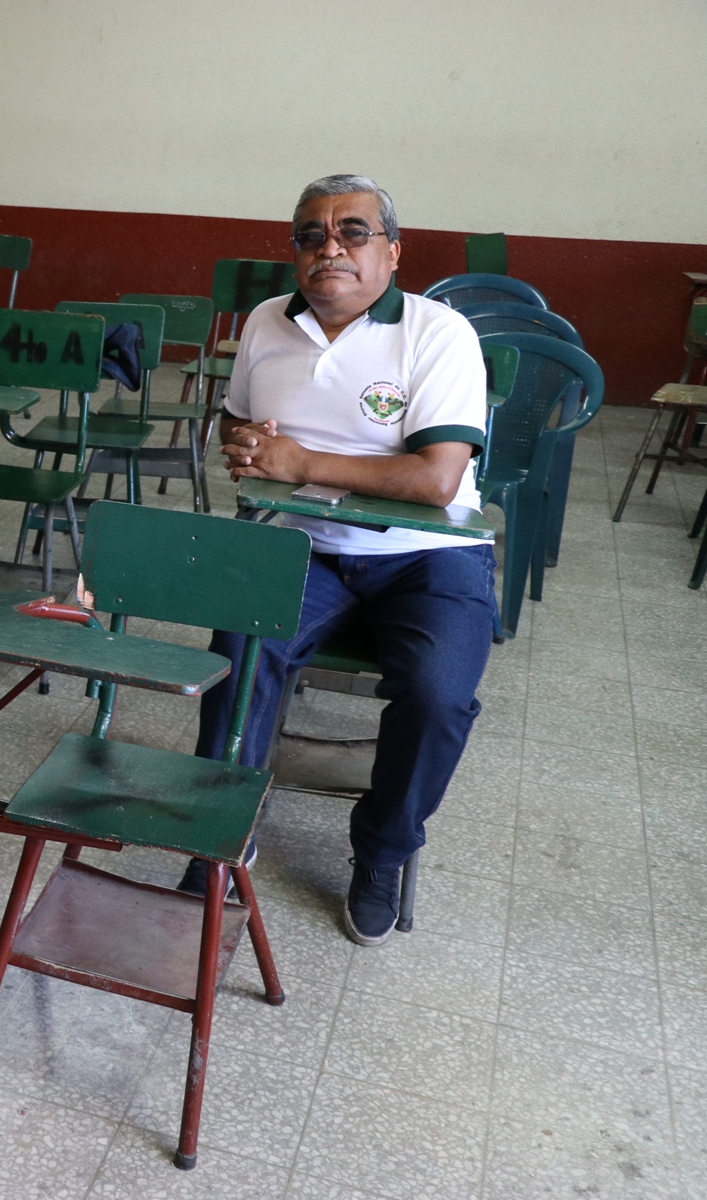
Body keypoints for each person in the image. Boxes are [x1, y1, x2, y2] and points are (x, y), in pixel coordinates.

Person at [182, 174, 494, 946]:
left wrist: (300, 463)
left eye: (353, 232)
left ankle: (384, 850)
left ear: (392, 250)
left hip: (429, 556)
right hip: (304, 545)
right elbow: (237, 423)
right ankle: (222, 827)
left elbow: (436, 480)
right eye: (311, 235)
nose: (331, 249)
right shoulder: (265, 322)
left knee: (437, 692)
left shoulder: (437, 332)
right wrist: (249, 448)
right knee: (240, 653)